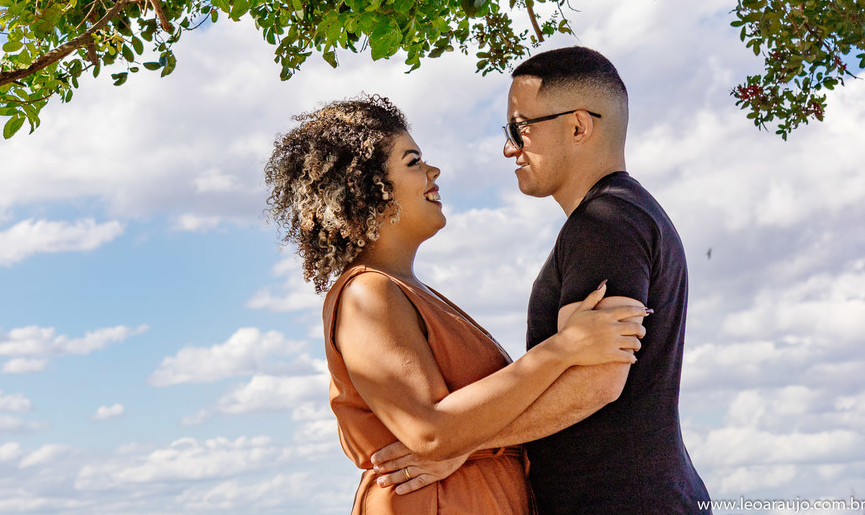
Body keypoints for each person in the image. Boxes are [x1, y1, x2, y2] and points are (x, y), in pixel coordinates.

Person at [264, 95, 649, 514]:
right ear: (366, 188)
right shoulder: (366, 294)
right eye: (413, 162)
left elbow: (467, 423)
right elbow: (428, 433)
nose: (434, 171)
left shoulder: (413, 293)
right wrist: (562, 348)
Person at [374, 47, 710, 513]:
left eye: (520, 128)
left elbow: (595, 383)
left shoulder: (606, 222)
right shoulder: (624, 215)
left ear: (578, 126)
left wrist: (462, 446)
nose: (509, 147)